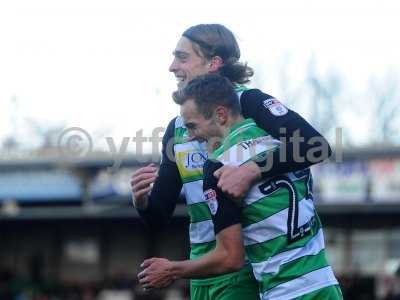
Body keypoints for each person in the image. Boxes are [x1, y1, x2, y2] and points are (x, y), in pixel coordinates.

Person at [131, 24, 332, 299]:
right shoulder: (178, 127)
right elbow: (158, 218)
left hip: (243, 265)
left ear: (214, 63)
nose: (172, 66)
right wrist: (142, 202)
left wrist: (252, 169)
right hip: (201, 267)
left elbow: (315, 145)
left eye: (182, 57)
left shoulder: (247, 103)